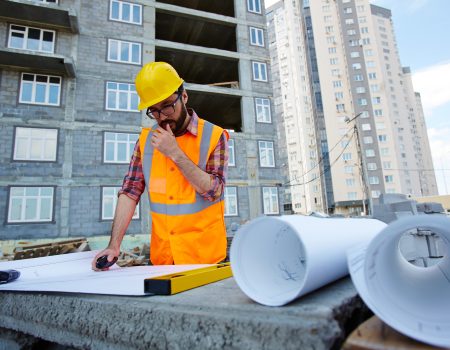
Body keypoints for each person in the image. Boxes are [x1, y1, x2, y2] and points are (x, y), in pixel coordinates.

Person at [92, 62, 229, 270]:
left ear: (183, 97)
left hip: (205, 259)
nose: (162, 116)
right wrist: (114, 245)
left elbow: (214, 191)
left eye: (167, 105)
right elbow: (130, 192)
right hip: (163, 259)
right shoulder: (146, 141)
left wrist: (175, 152)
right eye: (154, 110)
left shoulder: (214, 135)